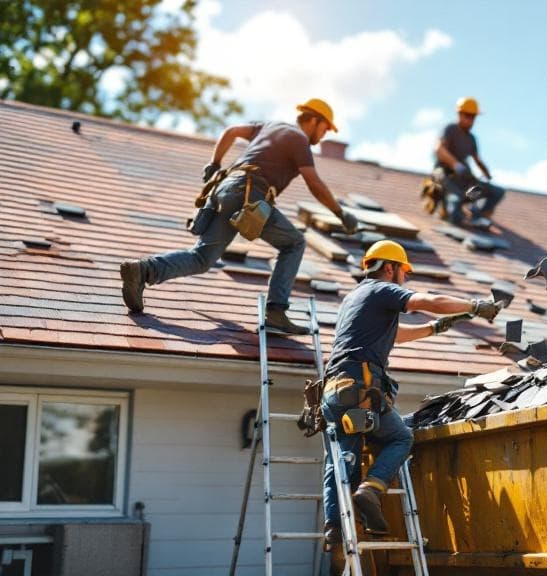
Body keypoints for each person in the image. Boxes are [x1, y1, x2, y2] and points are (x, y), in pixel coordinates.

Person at [119, 98, 359, 335]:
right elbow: (314, 183)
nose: (324, 135)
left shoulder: (269, 126)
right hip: (249, 195)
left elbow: (231, 131)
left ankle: (143, 270)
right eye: (325, 128)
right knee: (294, 243)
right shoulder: (298, 140)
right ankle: (276, 312)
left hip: (224, 190)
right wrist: (340, 213)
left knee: (202, 258)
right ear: (315, 121)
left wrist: (214, 163)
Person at [320, 240, 500, 543]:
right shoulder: (381, 289)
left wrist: (436, 327)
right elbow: (427, 300)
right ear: (389, 268)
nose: (405, 278)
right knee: (401, 437)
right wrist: (475, 306)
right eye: (403, 272)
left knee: (342, 461)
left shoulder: (355, 298)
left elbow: (396, 336)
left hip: (337, 392)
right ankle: (372, 489)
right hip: (358, 387)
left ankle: (334, 529)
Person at [433, 97, 505, 227]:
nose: (470, 120)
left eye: (473, 117)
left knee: (496, 191)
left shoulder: (471, 139)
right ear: (459, 114)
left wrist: (487, 174)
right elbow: (439, 149)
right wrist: (456, 165)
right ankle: (454, 207)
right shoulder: (450, 129)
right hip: (447, 177)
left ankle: (475, 214)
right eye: (467, 116)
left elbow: (478, 160)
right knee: (455, 212)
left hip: (465, 183)